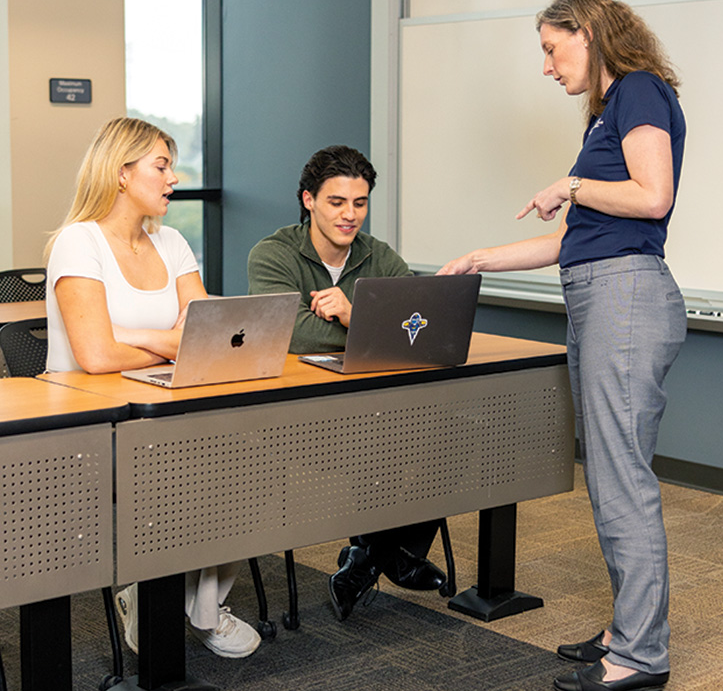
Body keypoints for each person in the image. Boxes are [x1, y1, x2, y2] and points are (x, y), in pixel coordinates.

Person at [439, 0, 687, 691]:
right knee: (611, 477)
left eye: (553, 48)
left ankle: (640, 653)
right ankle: (626, 631)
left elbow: (652, 196)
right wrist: (482, 256)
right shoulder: (614, 111)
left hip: (626, 300)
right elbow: (571, 245)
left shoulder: (639, 90)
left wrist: (574, 182)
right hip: (604, 293)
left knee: (622, 482)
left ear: (588, 31)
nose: (548, 67)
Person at [45, 117, 260, 659]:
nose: (173, 179)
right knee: (194, 472)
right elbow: (95, 357)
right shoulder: (79, 242)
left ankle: (188, 604)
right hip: (91, 426)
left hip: (165, 408)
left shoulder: (171, 242)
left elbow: (210, 337)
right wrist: (169, 340)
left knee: (253, 460)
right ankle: (157, 597)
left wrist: (133, 336)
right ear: (121, 173)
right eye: (161, 166)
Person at [247, 144, 447, 620]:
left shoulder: (378, 255)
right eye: (336, 202)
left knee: (448, 431)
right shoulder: (273, 255)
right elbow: (290, 332)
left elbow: (421, 327)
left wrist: (352, 314)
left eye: (359, 203)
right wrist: (374, 329)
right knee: (392, 439)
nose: (349, 215)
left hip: (376, 407)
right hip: (303, 413)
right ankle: (391, 553)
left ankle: (370, 555)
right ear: (309, 200)